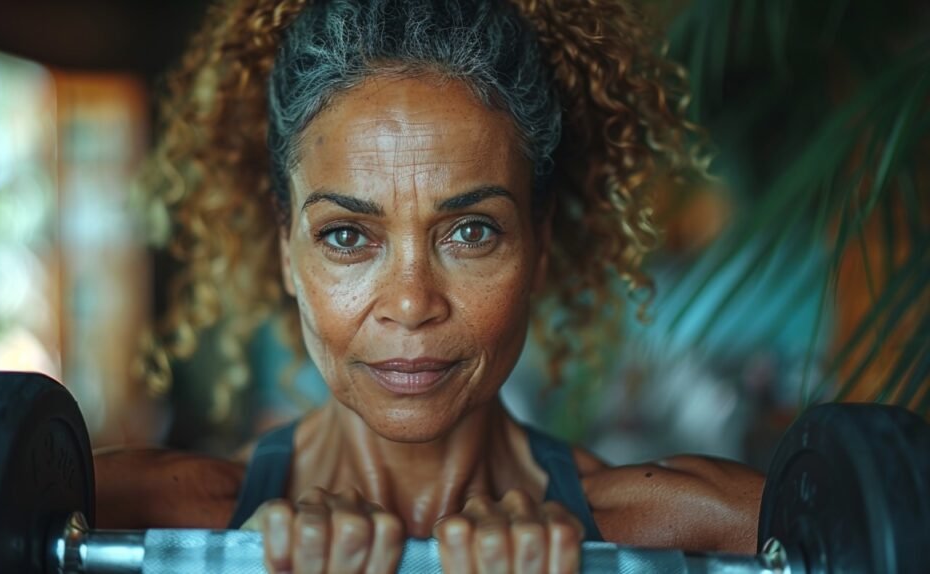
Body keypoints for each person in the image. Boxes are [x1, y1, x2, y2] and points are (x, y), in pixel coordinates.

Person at [94, 0, 765, 572]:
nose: (413, 303)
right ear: (285, 252)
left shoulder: (704, 528)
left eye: (471, 232)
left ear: (540, 243)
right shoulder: (127, 516)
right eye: (347, 236)